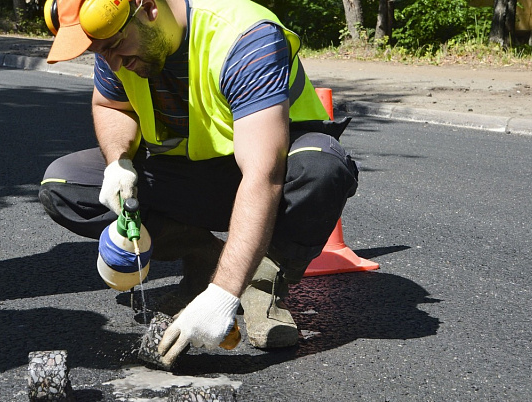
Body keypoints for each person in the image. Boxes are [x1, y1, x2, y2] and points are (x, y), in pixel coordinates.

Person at [39, 0, 360, 366]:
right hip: (187, 176)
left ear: (148, 9)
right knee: (64, 186)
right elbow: (112, 105)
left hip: (269, 176)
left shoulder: (244, 38)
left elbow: (262, 175)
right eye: (100, 51)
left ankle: (260, 282)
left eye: (112, 47)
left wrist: (223, 296)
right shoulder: (113, 37)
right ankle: (204, 259)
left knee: (323, 168)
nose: (111, 61)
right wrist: (118, 163)